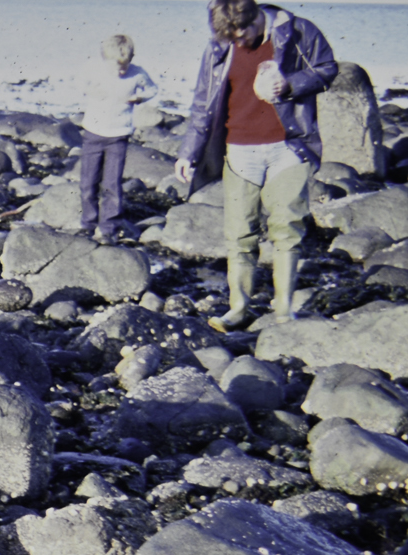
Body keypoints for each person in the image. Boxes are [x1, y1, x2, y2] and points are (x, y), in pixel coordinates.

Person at [173, 0, 338, 329]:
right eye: (229, 36)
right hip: (239, 151)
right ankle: (239, 308)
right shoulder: (220, 46)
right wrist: (188, 152)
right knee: (238, 234)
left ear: (255, 17)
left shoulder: (299, 31)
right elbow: (203, 103)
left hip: (289, 148)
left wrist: (290, 84)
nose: (238, 41)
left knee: (287, 229)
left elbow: (327, 69)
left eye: (242, 32)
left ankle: (284, 310)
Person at [76, 35, 158, 243]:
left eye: (125, 66)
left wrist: (139, 98)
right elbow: (79, 81)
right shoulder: (95, 69)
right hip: (93, 132)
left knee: (112, 183)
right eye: (117, 67)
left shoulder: (137, 73)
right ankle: (88, 223)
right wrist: (90, 89)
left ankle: (109, 227)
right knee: (88, 182)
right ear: (105, 60)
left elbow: (152, 89)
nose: (122, 71)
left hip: (118, 135)